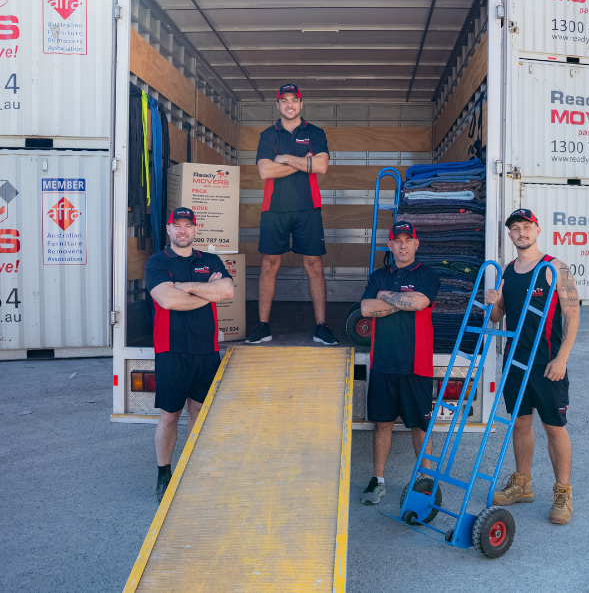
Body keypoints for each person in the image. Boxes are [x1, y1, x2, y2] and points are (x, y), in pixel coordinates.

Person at [484, 208, 580, 524]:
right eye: (515, 228)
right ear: (510, 235)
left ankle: (563, 494)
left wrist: (562, 358)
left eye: (526, 227)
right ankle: (522, 483)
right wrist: (493, 301)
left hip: (547, 364)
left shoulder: (555, 269)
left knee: (554, 428)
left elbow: (573, 315)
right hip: (515, 362)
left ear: (537, 230)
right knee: (521, 424)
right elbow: (498, 318)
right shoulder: (507, 271)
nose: (521, 233)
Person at [145, 207, 234, 503]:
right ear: (169, 229)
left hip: (206, 350)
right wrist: (205, 290)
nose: (183, 230)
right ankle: (163, 473)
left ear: (196, 230)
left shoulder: (209, 259)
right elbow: (167, 300)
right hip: (171, 350)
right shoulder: (157, 262)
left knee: (199, 412)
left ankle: (193, 468)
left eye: (188, 225)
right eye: (177, 225)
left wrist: (186, 288)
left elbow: (227, 291)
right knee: (170, 416)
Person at [245, 83, 339, 346]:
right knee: (268, 266)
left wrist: (284, 158)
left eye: (294, 100)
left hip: (308, 208)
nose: (289, 104)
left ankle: (322, 326)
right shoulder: (268, 134)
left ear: (301, 104)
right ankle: (263, 327)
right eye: (284, 100)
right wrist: (301, 162)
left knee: (315, 267)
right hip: (273, 208)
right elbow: (265, 171)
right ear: (278, 105)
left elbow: (320, 166)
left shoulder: (315, 132)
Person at [357, 221, 441, 505]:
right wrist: (404, 299)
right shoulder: (379, 274)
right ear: (390, 245)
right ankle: (378, 481)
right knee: (382, 424)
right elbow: (366, 309)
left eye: (408, 240)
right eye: (397, 240)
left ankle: (425, 483)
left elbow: (420, 303)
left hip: (416, 365)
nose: (403, 245)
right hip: (383, 363)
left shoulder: (427, 274)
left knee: (420, 426)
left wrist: (385, 298)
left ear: (417, 244)